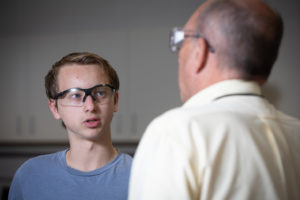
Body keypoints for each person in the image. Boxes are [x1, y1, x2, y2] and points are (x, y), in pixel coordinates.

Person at [129, 0, 300, 199]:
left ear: (200, 50)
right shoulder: (295, 132)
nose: (178, 56)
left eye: (183, 40)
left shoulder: (177, 133)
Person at [9, 52, 132, 200]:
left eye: (100, 93)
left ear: (115, 101)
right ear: (55, 108)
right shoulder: (29, 175)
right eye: (75, 95)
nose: (90, 106)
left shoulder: (143, 175)